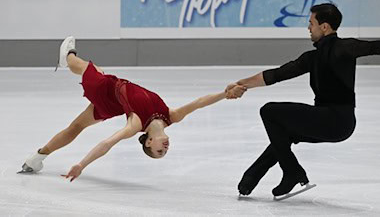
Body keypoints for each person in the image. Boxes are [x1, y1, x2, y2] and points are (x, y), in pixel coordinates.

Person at [226, 3, 380, 198]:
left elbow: (378, 47)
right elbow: (276, 74)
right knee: (284, 134)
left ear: (325, 27)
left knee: (269, 111)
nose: (309, 28)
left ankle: (292, 171)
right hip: (336, 123)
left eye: (311, 24)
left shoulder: (344, 47)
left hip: (335, 119)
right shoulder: (312, 57)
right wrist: (241, 84)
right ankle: (250, 179)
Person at [18, 36, 229, 182]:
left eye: (158, 151)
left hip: (106, 90)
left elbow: (107, 143)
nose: (165, 147)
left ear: (148, 141)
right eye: (165, 151)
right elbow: (200, 102)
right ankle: (36, 158)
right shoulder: (171, 116)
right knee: (75, 127)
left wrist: (82, 165)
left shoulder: (136, 123)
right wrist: (225, 93)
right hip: (114, 104)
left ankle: (68, 57)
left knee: (87, 68)